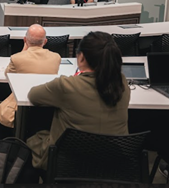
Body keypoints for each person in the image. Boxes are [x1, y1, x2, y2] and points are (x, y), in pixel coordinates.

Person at [26, 31, 130, 172]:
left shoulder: (66, 85)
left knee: (33, 125)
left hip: (67, 163)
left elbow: (33, 96)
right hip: (112, 163)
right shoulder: (122, 83)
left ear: (81, 57)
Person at [0, 24, 61, 145]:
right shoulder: (56, 57)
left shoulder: (17, 58)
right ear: (45, 41)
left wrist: (24, 50)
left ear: (25, 40)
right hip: (45, 109)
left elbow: (8, 75)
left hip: (21, 108)